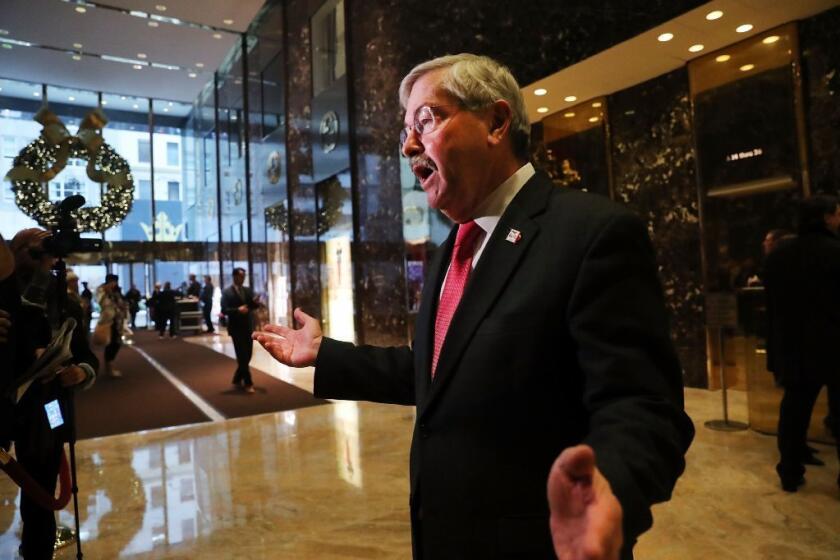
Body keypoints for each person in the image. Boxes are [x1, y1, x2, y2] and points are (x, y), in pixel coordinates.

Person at [254, 53, 693, 559]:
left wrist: (612, 490)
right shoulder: (452, 251)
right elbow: (439, 372)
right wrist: (325, 355)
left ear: (497, 122)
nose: (409, 145)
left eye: (428, 119)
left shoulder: (591, 233)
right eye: (406, 130)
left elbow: (643, 406)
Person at [3, 228, 97, 558]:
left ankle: (37, 552)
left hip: (46, 409)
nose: (41, 259)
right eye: (31, 251)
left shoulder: (66, 304)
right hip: (5, 405)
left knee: (40, 492)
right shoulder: (4, 298)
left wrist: (79, 373)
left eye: (45, 252)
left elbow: (87, 357)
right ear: (11, 254)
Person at [764, 194, 840, 492]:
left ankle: (790, 471)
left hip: (794, 346)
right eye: (837, 213)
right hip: (834, 344)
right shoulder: (836, 253)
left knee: (794, 411)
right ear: (826, 217)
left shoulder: (779, 257)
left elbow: (772, 308)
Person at [222, 268, 260, 393]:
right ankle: (248, 382)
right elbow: (225, 310)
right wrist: (237, 310)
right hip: (236, 328)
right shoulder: (227, 292)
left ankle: (237, 378)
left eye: (243, 276)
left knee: (248, 355)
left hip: (248, 327)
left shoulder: (247, 290)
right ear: (234, 277)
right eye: (239, 276)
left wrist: (255, 302)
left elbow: (252, 306)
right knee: (241, 355)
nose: (242, 279)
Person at [96, 274, 127, 377]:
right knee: (111, 343)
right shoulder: (101, 290)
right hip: (108, 321)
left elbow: (122, 302)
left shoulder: (117, 291)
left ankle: (110, 365)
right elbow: (102, 303)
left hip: (118, 320)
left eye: (115, 282)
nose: (114, 284)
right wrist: (107, 293)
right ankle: (109, 366)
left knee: (117, 342)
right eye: (112, 282)